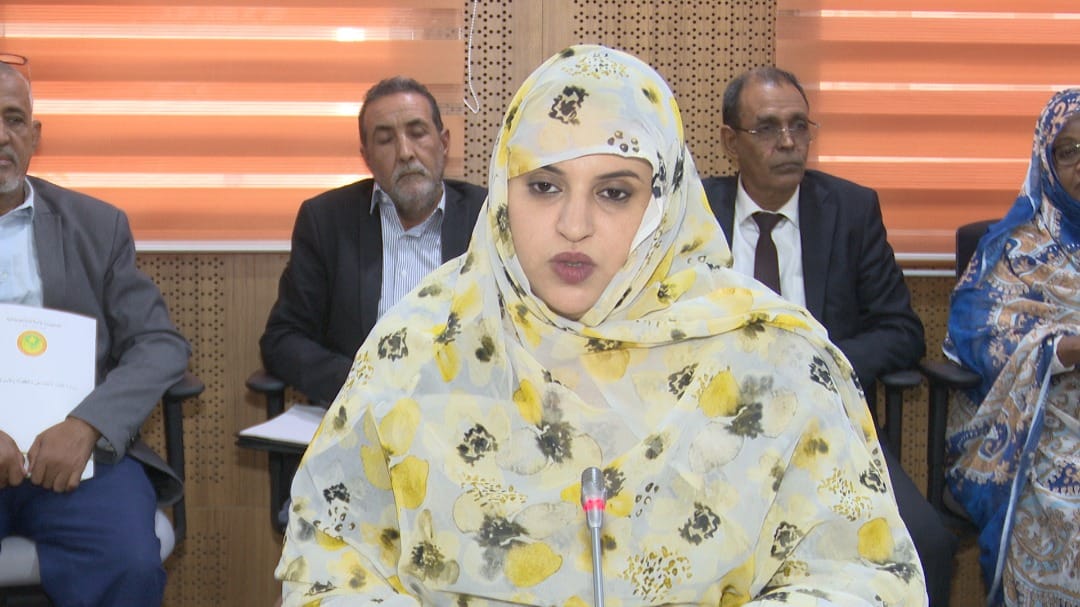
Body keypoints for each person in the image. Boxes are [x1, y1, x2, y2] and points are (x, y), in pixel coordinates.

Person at [276, 45, 927, 606]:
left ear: (664, 202)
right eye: (544, 186)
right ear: (504, 188)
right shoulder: (420, 344)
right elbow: (331, 557)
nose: (574, 225)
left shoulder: (774, 356)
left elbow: (861, 576)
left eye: (615, 192)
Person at [702, 66, 956, 606]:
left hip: (830, 428)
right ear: (730, 141)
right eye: (767, 128)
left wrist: (818, 363)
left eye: (799, 125)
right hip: (715, 429)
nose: (788, 141)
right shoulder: (694, 215)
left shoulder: (850, 210)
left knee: (928, 545)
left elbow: (902, 330)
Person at [0, 62, 190, 605]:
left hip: (79, 457)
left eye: (14, 119)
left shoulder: (96, 225)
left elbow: (159, 344)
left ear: (35, 135)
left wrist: (88, 424)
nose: (1, 136)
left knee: (129, 562)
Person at [260, 76, 486, 405]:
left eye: (417, 133)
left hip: (461, 409)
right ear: (366, 157)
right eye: (385, 140)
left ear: (444, 142)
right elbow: (283, 340)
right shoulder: (326, 221)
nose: (405, 153)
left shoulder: (487, 218)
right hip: (362, 412)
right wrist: (363, 382)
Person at [942, 88, 1080, 607]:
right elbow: (984, 340)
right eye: (1068, 151)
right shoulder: (1016, 247)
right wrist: (1067, 348)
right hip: (1040, 423)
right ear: (1046, 160)